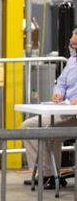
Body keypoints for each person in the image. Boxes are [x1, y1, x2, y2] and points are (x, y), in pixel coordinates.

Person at [22, 27, 77, 190]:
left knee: (48, 132)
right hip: (65, 111)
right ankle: (45, 174)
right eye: (72, 44)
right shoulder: (72, 62)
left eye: (76, 45)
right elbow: (61, 83)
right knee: (28, 126)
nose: (73, 47)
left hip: (74, 116)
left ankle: (52, 176)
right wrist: (58, 93)